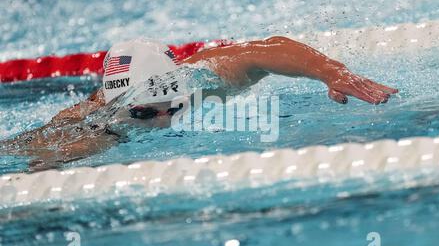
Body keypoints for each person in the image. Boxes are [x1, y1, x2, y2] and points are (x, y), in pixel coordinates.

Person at [1, 36, 397, 171]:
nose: (161, 122)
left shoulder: (203, 79)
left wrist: (330, 72)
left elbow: (269, 50)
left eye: (173, 108)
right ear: (114, 105)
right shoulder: (94, 130)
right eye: (142, 113)